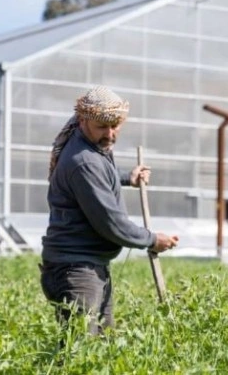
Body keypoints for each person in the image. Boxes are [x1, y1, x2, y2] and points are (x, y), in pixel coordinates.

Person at [39, 85, 179, 336]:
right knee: (81, 352)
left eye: (116, 126)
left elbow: (100, 177)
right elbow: (111, 223)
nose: (111, 134)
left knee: (100, 350)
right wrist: (152, 239)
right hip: (76, 270)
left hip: (88, 266)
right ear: (83, 120)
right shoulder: (84, 161)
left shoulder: (90, 147)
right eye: (103, 127)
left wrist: (127, 178)